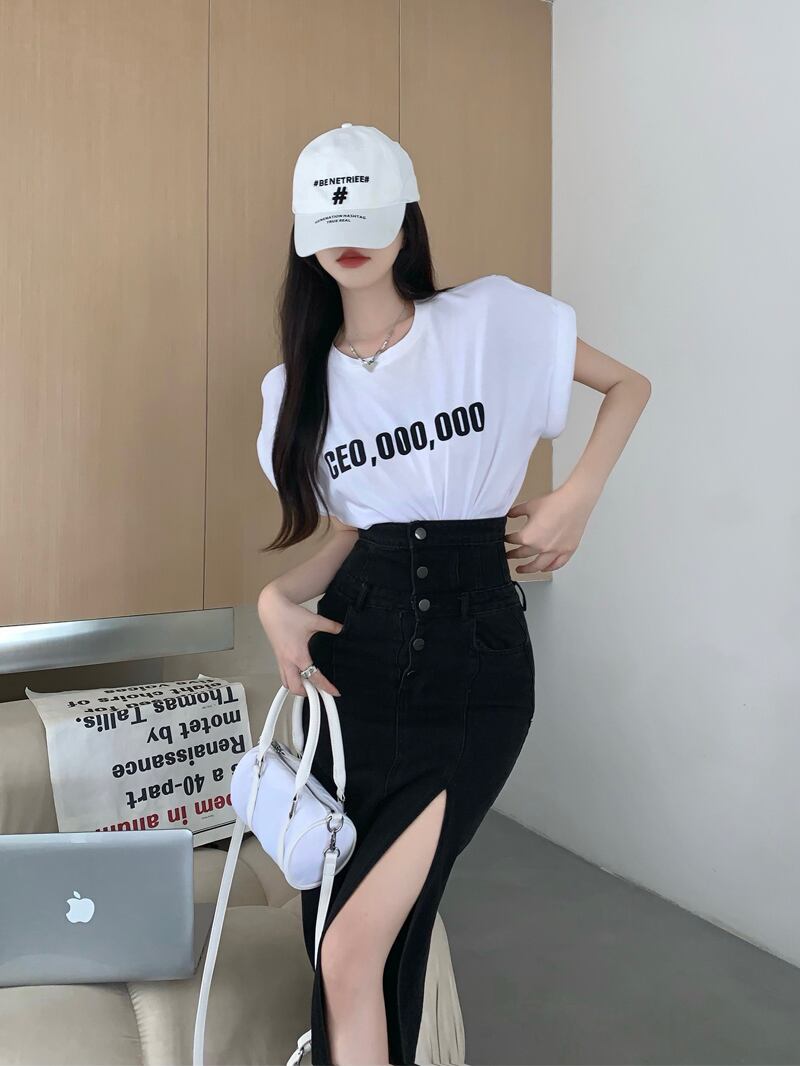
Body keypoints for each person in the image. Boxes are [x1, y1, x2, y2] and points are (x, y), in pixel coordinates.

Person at [256, 123, 651, 1066]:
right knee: (340, 936)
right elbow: (350, 536)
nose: (352, 243)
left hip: (471, 665)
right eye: (332, 225)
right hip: (354, 669)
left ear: (406, 219)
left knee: (354, 945)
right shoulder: (293, 391)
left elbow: (628, 386)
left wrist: (575, 499)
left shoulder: (491, 320)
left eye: (369, 218)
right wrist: (276, 599)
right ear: (306, 235)